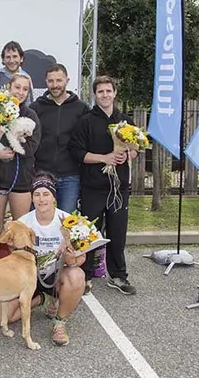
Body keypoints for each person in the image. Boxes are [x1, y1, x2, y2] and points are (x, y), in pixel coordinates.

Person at [0, 172, 86, 346]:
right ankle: (43, 299)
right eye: (37, 194)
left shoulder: (68, 221)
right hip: (28, 276)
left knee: (77, 276)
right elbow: (13, 255)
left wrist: (71, 258)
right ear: (32, 198)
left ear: (54, 197)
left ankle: (60, 321)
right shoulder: (23, 222)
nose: (41, 199)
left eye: (46, 194)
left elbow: (81, 259)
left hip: (56, 275)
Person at [68, 75, 138, 295]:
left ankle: (118, 275)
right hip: (93, 187)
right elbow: (77, 152)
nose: (105, 95)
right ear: (95, 95)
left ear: (115, 93)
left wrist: (127, 155)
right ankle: (85, 275)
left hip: (118, 188)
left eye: (108, 91)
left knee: (118, 233)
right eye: (101, 92)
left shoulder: (126, 121)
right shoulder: (86, 121)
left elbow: (136, 148)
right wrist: (104, 158)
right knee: (90, 234)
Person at [0, 74, 41, 262]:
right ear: (8, 87)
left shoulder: (31, 115)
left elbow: (30, 148)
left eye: (25, 89)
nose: (21, 92)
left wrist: (2, 135)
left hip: (21, 180)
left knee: (20, 230)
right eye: (17, 87)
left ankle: (19, 276)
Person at [30, 64, 89, 213]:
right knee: (39, 219)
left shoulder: (81, 108)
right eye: (51, 81)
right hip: (41, 173)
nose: (55, 85)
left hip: (70, 175)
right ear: (46, 82)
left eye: (59, 80)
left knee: (66, 222)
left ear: (67, 81)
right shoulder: (36, 108)